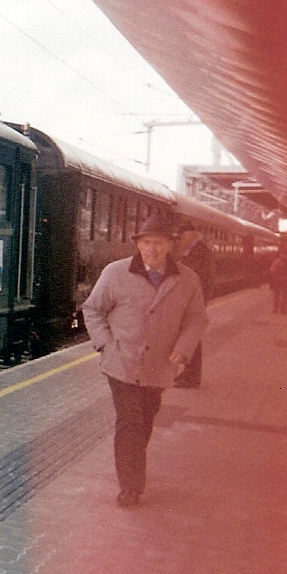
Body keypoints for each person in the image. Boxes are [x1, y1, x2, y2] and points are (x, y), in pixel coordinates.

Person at [81, 215, 208, 507]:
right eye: (146, 242)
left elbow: (197, 319)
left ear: (170, 246)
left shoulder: (187, 279)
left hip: (159, 367)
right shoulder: (116, 273)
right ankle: (131, 486)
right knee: (130, 422)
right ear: (138, 244)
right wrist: (105, 344)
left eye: (158, 243)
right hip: (122, 363)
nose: (152, 249)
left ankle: (132, 471)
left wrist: (184, 348)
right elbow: (93, 309)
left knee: (145, 421)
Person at [174, 223, 212, 387]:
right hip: (194, 299)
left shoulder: (198, 253)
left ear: (189, 235)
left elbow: (193, 278)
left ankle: (192, 377)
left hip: (193, 300)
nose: (179, 240)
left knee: (192, 337)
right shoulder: (197, 250)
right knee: (190, 335)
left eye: (181, 236)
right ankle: (188, 373)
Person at [269, 244, 287, 315]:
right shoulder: (278, 262)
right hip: (278, 280)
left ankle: (283, 309)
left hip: (285, 280)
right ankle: (276, 307)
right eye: (284, 254)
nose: (285, 256)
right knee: (277, 295)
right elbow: (273, 270)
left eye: (286, 255)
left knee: (284, 295)